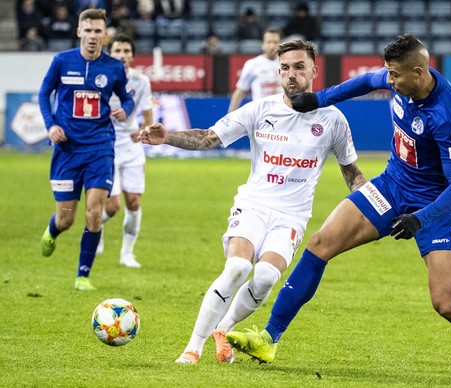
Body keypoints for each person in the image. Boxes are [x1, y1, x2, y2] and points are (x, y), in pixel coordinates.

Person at [226, 34, 451, 375]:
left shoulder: (447, 117)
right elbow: (366, 81)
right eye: (389, 73)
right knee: (320, 244)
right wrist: (318, 99)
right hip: (391, 186)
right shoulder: (398, 78)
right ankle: (269, 339)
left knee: (447, 304)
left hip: (435, 205)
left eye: (396, 75)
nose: (390, 80)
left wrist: (420, 219)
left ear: (418, 71)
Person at [138, 40, 366, 365]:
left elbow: (352, 175)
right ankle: (192, 348)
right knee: (238, 267)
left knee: (266, 277)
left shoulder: (333, 120)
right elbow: (208, 138)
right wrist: (167, 137)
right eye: (285, 67)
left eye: (299, 67)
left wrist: (379, 203)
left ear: (315, 71)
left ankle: (224, 329)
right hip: (254, 204)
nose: (291, 75)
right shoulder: (261, 108)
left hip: (291, 217)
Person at [38, 8, 135, 291]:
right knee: (67, 218)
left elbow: (127, 98)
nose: (93, 36)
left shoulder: (114, 67)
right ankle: (53, 230)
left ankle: (83, 275)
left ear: (105, 35)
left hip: (100, 148)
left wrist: (124, 110)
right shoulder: (61, 62)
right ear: (79, 32)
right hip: (67, 150)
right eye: (88, 30)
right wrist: (50, 125)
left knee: (94, 212)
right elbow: (44, 93)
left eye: (98, 31)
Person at [96, 33, 154, 268]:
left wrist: (141, 131)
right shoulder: (100, 78)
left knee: (134, 203)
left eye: (126, 51)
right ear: (111, 53)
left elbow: (148, 117)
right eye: (118, 50)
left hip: (131, 147)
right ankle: (95, 226)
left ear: (132, 55)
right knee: (112, 205)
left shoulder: (141, 81)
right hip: (106, 145)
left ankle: (127, 253)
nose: (122, 55)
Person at [227, 27, 283, 113]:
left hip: (282, 112)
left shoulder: (287, 63)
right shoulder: (252, 64)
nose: (272, 46)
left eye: (275, 42)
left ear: (280, 44)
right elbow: (240, 91)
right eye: (269, 42)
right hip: (260, 113)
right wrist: (230, 116)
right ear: (263, 44)